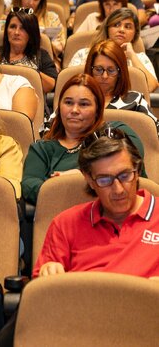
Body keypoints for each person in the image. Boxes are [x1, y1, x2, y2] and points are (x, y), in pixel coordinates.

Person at [34, 129, 159, 278]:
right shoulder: (65, 224)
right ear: (89, 180)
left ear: (137, 171)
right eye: (104, 180)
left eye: (125, 176)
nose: (118, 190)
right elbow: (40, 290)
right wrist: (48, 272)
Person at [21, 74, 144, 205]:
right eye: (68, 103)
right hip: (60, 213)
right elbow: (29, 186)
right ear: (59, 107)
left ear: (97, 109)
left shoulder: (115, 132)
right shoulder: (42, 148)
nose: (74, 110)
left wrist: (80, 175)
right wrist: (63, 185)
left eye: (84, 104)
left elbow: (134, 167)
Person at [44, 40, 159, 135]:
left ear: (120, 73)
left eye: (111, 70)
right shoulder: (75, 99)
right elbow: (47, 131)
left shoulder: (136, 101)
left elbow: (155, 134)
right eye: (98, 70)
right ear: (90, 70)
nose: (104, 76)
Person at [68, 8, 158, 90]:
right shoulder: (83, 54)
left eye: (128, 27)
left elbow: (151, 87)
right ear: (107, 29)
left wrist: (132, 56)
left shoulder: (140, 58)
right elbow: (69, 86)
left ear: (135, 34)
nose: (121, 30)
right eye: (116, 25)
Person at [0, 0, 65, 58]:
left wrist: (45, 41)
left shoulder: (52, 18)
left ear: (41, 1)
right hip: (11, 58)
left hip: (43, 59)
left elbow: (60, 47)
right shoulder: (8, 15)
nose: (31, 3)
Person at [0, 8, 58, 92]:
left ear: (31, 33)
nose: (16, 32)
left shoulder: (41, 55)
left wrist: (28, 71)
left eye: (23, 28)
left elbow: (51, 85)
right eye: (13, 27)